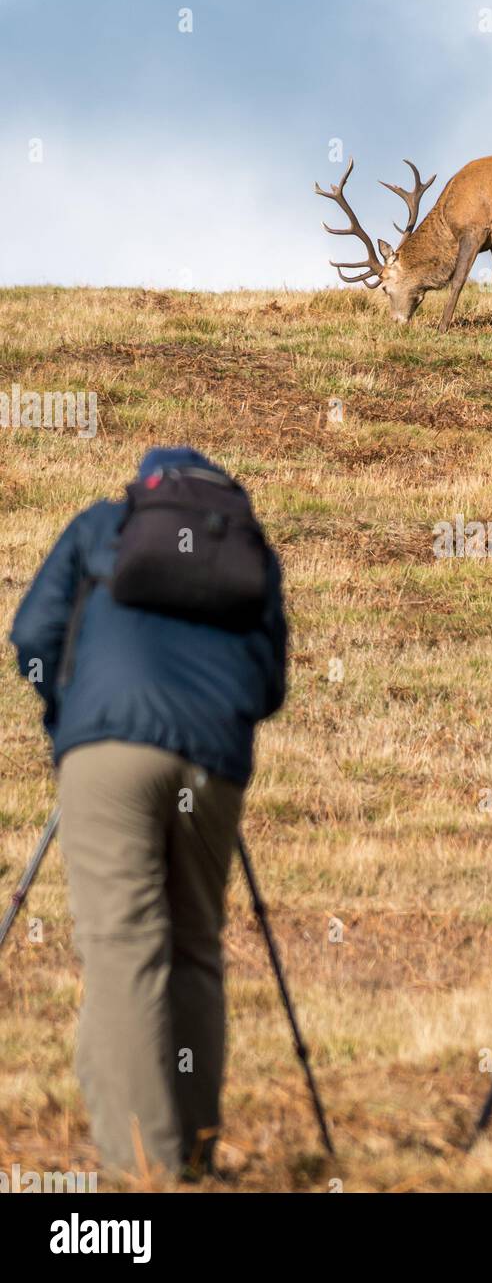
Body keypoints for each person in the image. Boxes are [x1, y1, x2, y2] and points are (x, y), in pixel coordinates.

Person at [9, 446, 287, 1179]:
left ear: (146, 489)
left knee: (125, 947)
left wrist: (68, 719)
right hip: (213, 758)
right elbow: (272, 682)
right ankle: (191, 1155)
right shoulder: (249, 545)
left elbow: (32, 639)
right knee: (195, 945)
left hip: (108, 754)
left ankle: (145, 1177)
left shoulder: (101, 525)